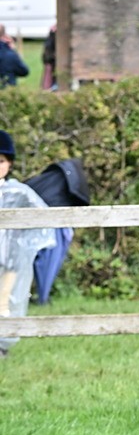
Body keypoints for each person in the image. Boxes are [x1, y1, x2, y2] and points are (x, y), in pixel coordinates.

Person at [0, 130, 56, 359]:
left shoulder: (19, 192)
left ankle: (2, 345)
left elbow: (44, 219)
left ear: (9, 164)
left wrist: (27, 247)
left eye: (1, 161)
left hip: (11, 260)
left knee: (5, 302)